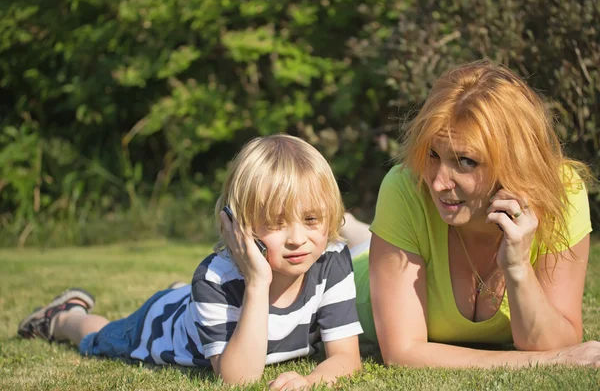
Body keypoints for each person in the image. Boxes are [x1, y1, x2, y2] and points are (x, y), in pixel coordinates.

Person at [18, 134, 363, 389]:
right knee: (101, 336)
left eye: (311, 220)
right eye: (275, 223)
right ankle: (65, 317)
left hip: (193, 303)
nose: (297, 238)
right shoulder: (218, 278)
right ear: (236, 224)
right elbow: (239, 377)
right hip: (159, 328)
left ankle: (183, 299)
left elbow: (346, 357)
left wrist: (311, 380)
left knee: (189, 300)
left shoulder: (331, 261)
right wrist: (258, 284)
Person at [346, 60, 600, 368]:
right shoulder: (405, 187)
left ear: (515, 162)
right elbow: (402, 353)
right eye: (432, 154)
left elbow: (558, 342)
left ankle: (352, 227)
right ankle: (347, 227)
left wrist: (518, 267)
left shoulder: (561, 192)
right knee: (336, 247)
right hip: (354, 274)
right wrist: (549, 362)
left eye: (466, 161)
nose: (438, 183)